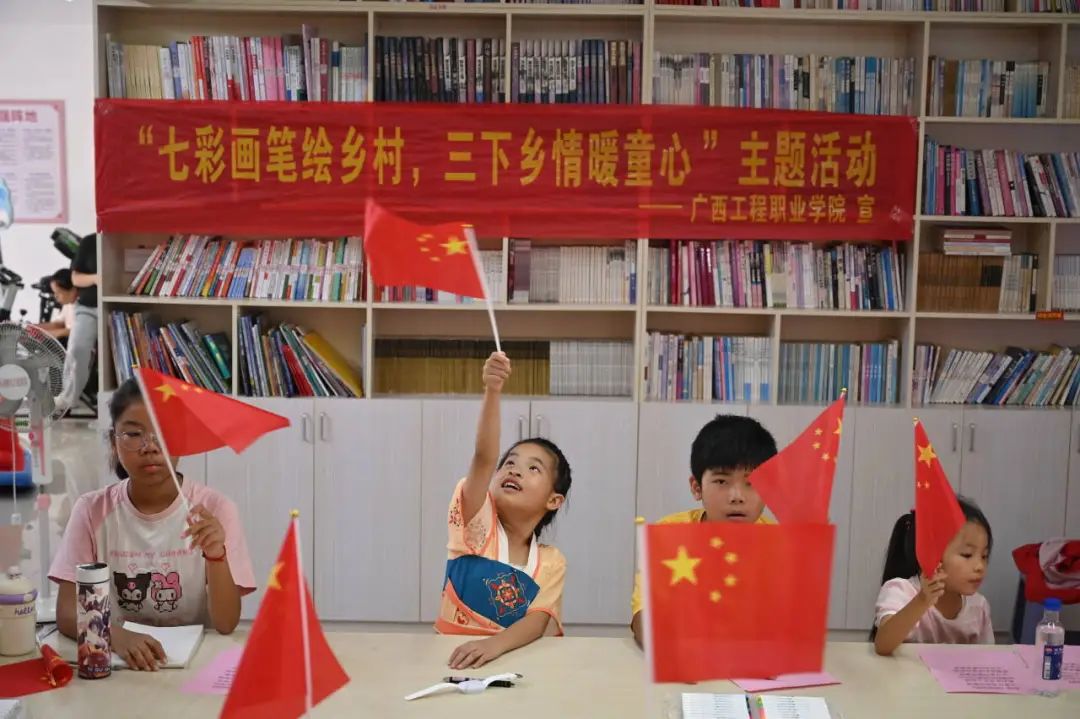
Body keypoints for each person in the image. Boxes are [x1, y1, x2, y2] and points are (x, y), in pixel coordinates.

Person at [48, 379, 255, 671]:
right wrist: (113, 635)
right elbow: (67, 612)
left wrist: (216, 556)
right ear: (113, 442)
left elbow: (226, 623)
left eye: (165, 434)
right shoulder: (91, 511)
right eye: (134, 434)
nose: (150, 447)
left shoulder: (215, 510)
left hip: (193, 665)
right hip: (120, 665)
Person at [437, 351, 572, 670]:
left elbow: (538, 621)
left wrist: (493, 645)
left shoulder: (551, 561)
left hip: (513, 663)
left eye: (533, 468)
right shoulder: (476, 525)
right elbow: (484, 457)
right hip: (452, 660)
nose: (515, 470)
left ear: (554, 500)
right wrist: (493, 390)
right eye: (509, 462)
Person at [630, 414, 777, 648]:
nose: (737, 497)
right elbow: (642, 619)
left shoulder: (780, 543)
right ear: (696, 487)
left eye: (752, 483)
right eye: (721, 481)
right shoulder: (669, 535)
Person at [872, 497, 993, 655]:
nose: (980, 566)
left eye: (984, 556)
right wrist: (922, 600)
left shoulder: (979, 607)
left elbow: (988, 656)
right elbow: (883, 645)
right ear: (931, 554)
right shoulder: (902, 591)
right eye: (967, 554)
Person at [55, 233, 98, 411]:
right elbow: (75, 278)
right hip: (88, 308)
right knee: (77, 349)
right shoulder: (89, 242)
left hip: (118, 308)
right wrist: (96, 278)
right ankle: (67, 399)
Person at [34, 268, 77, 341]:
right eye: (54, 293)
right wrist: (33, 328)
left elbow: (78, 330)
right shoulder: (68, 304)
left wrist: (50, 334)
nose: (55, 296)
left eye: (58, 292)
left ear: (73, 290)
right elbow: (58, 324)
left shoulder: (84, 307)